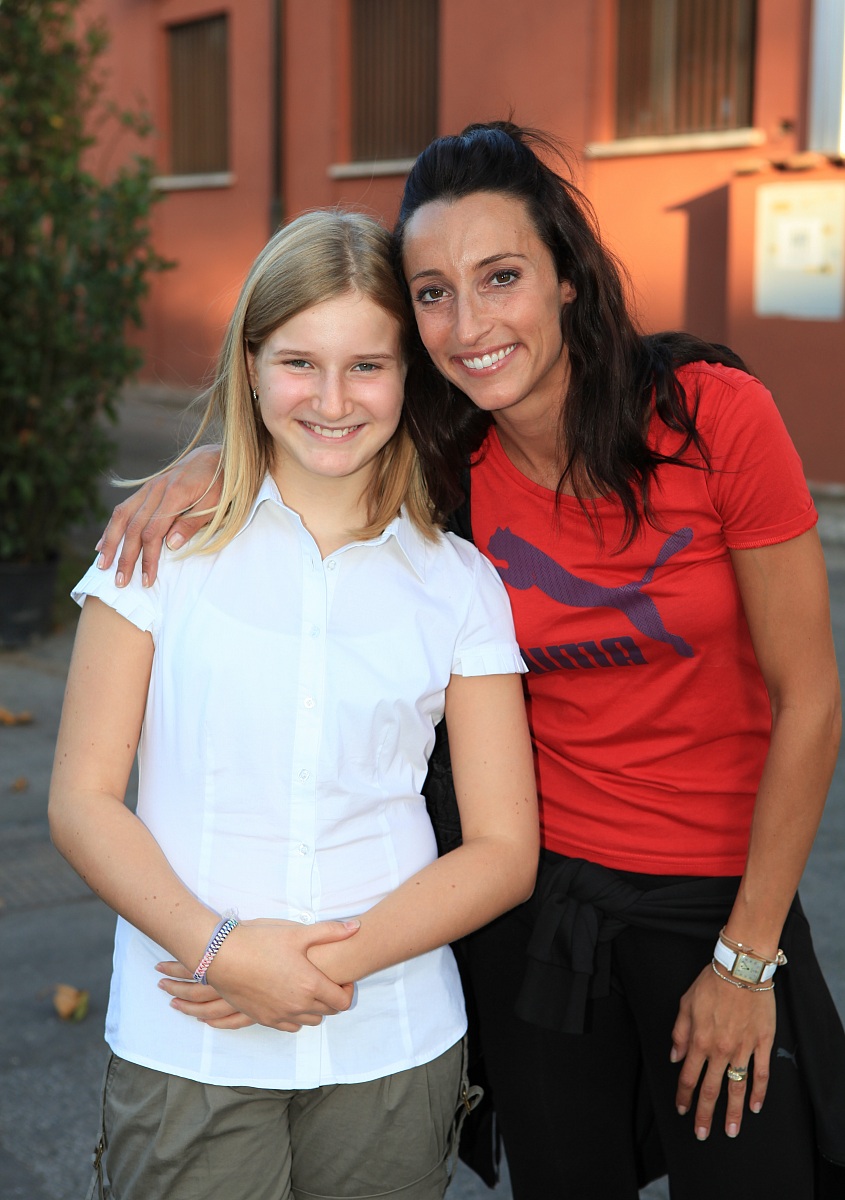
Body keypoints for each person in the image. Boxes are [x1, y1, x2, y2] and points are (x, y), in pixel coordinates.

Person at [95, 123, 845, 1199]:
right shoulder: (454, 456)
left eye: (501, 278)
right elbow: (322, 419)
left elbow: (808, 698)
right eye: (433, 294)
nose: (470, 323)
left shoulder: (711, 417)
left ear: (566, 275)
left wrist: (746, 956)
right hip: (538, 913)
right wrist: (214, 458)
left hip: (718, 899)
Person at [49, 208, 539, 1200]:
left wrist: (309, 967)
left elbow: (502, 850)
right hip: (190, 1035)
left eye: (367, 365)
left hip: (393, 1037)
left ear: (407, 375)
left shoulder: (458, 583)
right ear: (250, 364)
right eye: (298, 363)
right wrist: (220, 950)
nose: (331, 399)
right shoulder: (156, 554)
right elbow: (83, 800)